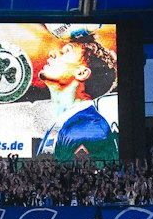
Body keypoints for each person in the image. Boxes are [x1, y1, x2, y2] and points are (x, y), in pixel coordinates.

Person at [36, 32, 119, 163]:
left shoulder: (88, 127)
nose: (53, 54)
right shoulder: (66, 122)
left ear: (82, 73)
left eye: (66, 52)